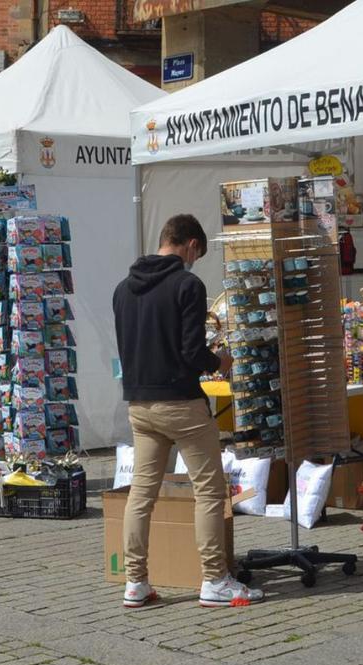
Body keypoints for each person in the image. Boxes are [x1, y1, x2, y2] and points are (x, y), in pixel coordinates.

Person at [112, 214, 263, 609]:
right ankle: (214, 579)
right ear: (191, 245)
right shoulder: (188, 285)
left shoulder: (123, 289)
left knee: (141, 495)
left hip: (139, 403)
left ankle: (135, 581)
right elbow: (192, 352)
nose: (196, 262)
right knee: (210, 493)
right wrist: (220, 362)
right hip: (181, 402)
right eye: (198, 253)